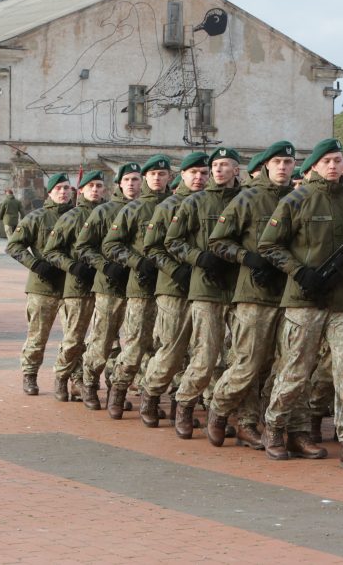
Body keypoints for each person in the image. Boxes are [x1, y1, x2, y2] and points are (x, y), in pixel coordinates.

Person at [258, 138, 343, 471]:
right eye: (328, 161)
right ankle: (276, 426)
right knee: (295, 370)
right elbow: (268, 245)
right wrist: (300, 272)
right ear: (314, 166)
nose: (335, 167)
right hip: (304, 299)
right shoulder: (297, 200)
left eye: (339, 161)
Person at [204, 141, 298, 451]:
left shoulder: (300, 199)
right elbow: (218, 241)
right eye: (278, 162)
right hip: (254, 293)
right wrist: (247, 257)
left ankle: (253, 423)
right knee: (248, 362)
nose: (283, 167)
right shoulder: (249, 198)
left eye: (288, 161)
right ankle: (219, 410)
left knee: (279, 365)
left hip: (290, 293)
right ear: (266, 166)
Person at [165, 147, 243, 439]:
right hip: (206, 288)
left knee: (237, 356)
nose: (219, 170)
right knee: (206, 354)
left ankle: (221, 411)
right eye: (216, 165)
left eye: (226, 165)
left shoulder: (246, 200)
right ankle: (184, 404)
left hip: (240, 287)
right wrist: (199, 258)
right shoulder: (196, 202)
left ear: (237, 170)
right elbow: (173, 241)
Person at [139, 152, 210, 427]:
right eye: (194, 173)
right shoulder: (168, 206)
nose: (199, 178)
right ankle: (151, 395)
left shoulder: (211, 204)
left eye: (204, 173)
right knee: (171, 350)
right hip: (174, 287)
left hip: (205, 287)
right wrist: (175, 270)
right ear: (181, 175)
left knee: (201, 351)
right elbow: (152, 246)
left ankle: (183, 406)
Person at [102, 155, 173, 418]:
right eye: (152, 174)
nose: (157, 178)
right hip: (141, 288)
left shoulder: (178, 205)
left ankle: (150, 399)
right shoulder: (133, 209)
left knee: (163, 347)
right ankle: (118, 391)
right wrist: (136, 262)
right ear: (146, 178)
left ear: (169, 177)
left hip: (170, 286)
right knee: (134, 346)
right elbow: (111, 244)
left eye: (162, 174)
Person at [75, 163, 142, 409]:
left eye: (136, 179)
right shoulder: (104, 211)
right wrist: (105, 266)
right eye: (128, 180)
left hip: (139, 286)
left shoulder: (150, 208)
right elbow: (83, 246)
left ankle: (116, 386)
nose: (133, 184)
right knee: (103, 340)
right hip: (110, 285)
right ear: (120, 184)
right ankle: (90, 383)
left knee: (134, 342)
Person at [42, 170, 107, 401]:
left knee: (102, 339)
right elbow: (51, 251)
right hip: (78, 285)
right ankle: (61, 376)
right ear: (81, 190)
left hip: (105, 284)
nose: (96, 190)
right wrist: (73, 266)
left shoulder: (108, 212)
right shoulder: (72, 217)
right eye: (91, 187)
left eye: (100, 186)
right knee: (74, 338)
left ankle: (85, 380)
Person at [8, 173, 74, 391]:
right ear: (50, 192)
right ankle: (30, 374)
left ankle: (68, 377)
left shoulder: (78, 216)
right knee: (37, 335)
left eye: (67, 188)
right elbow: (14, 246)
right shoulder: (36, 218)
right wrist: (35, 265)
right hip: (42, 287)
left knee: (73, 338)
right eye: (59, 189)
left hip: (72, 287)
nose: (63, 192)